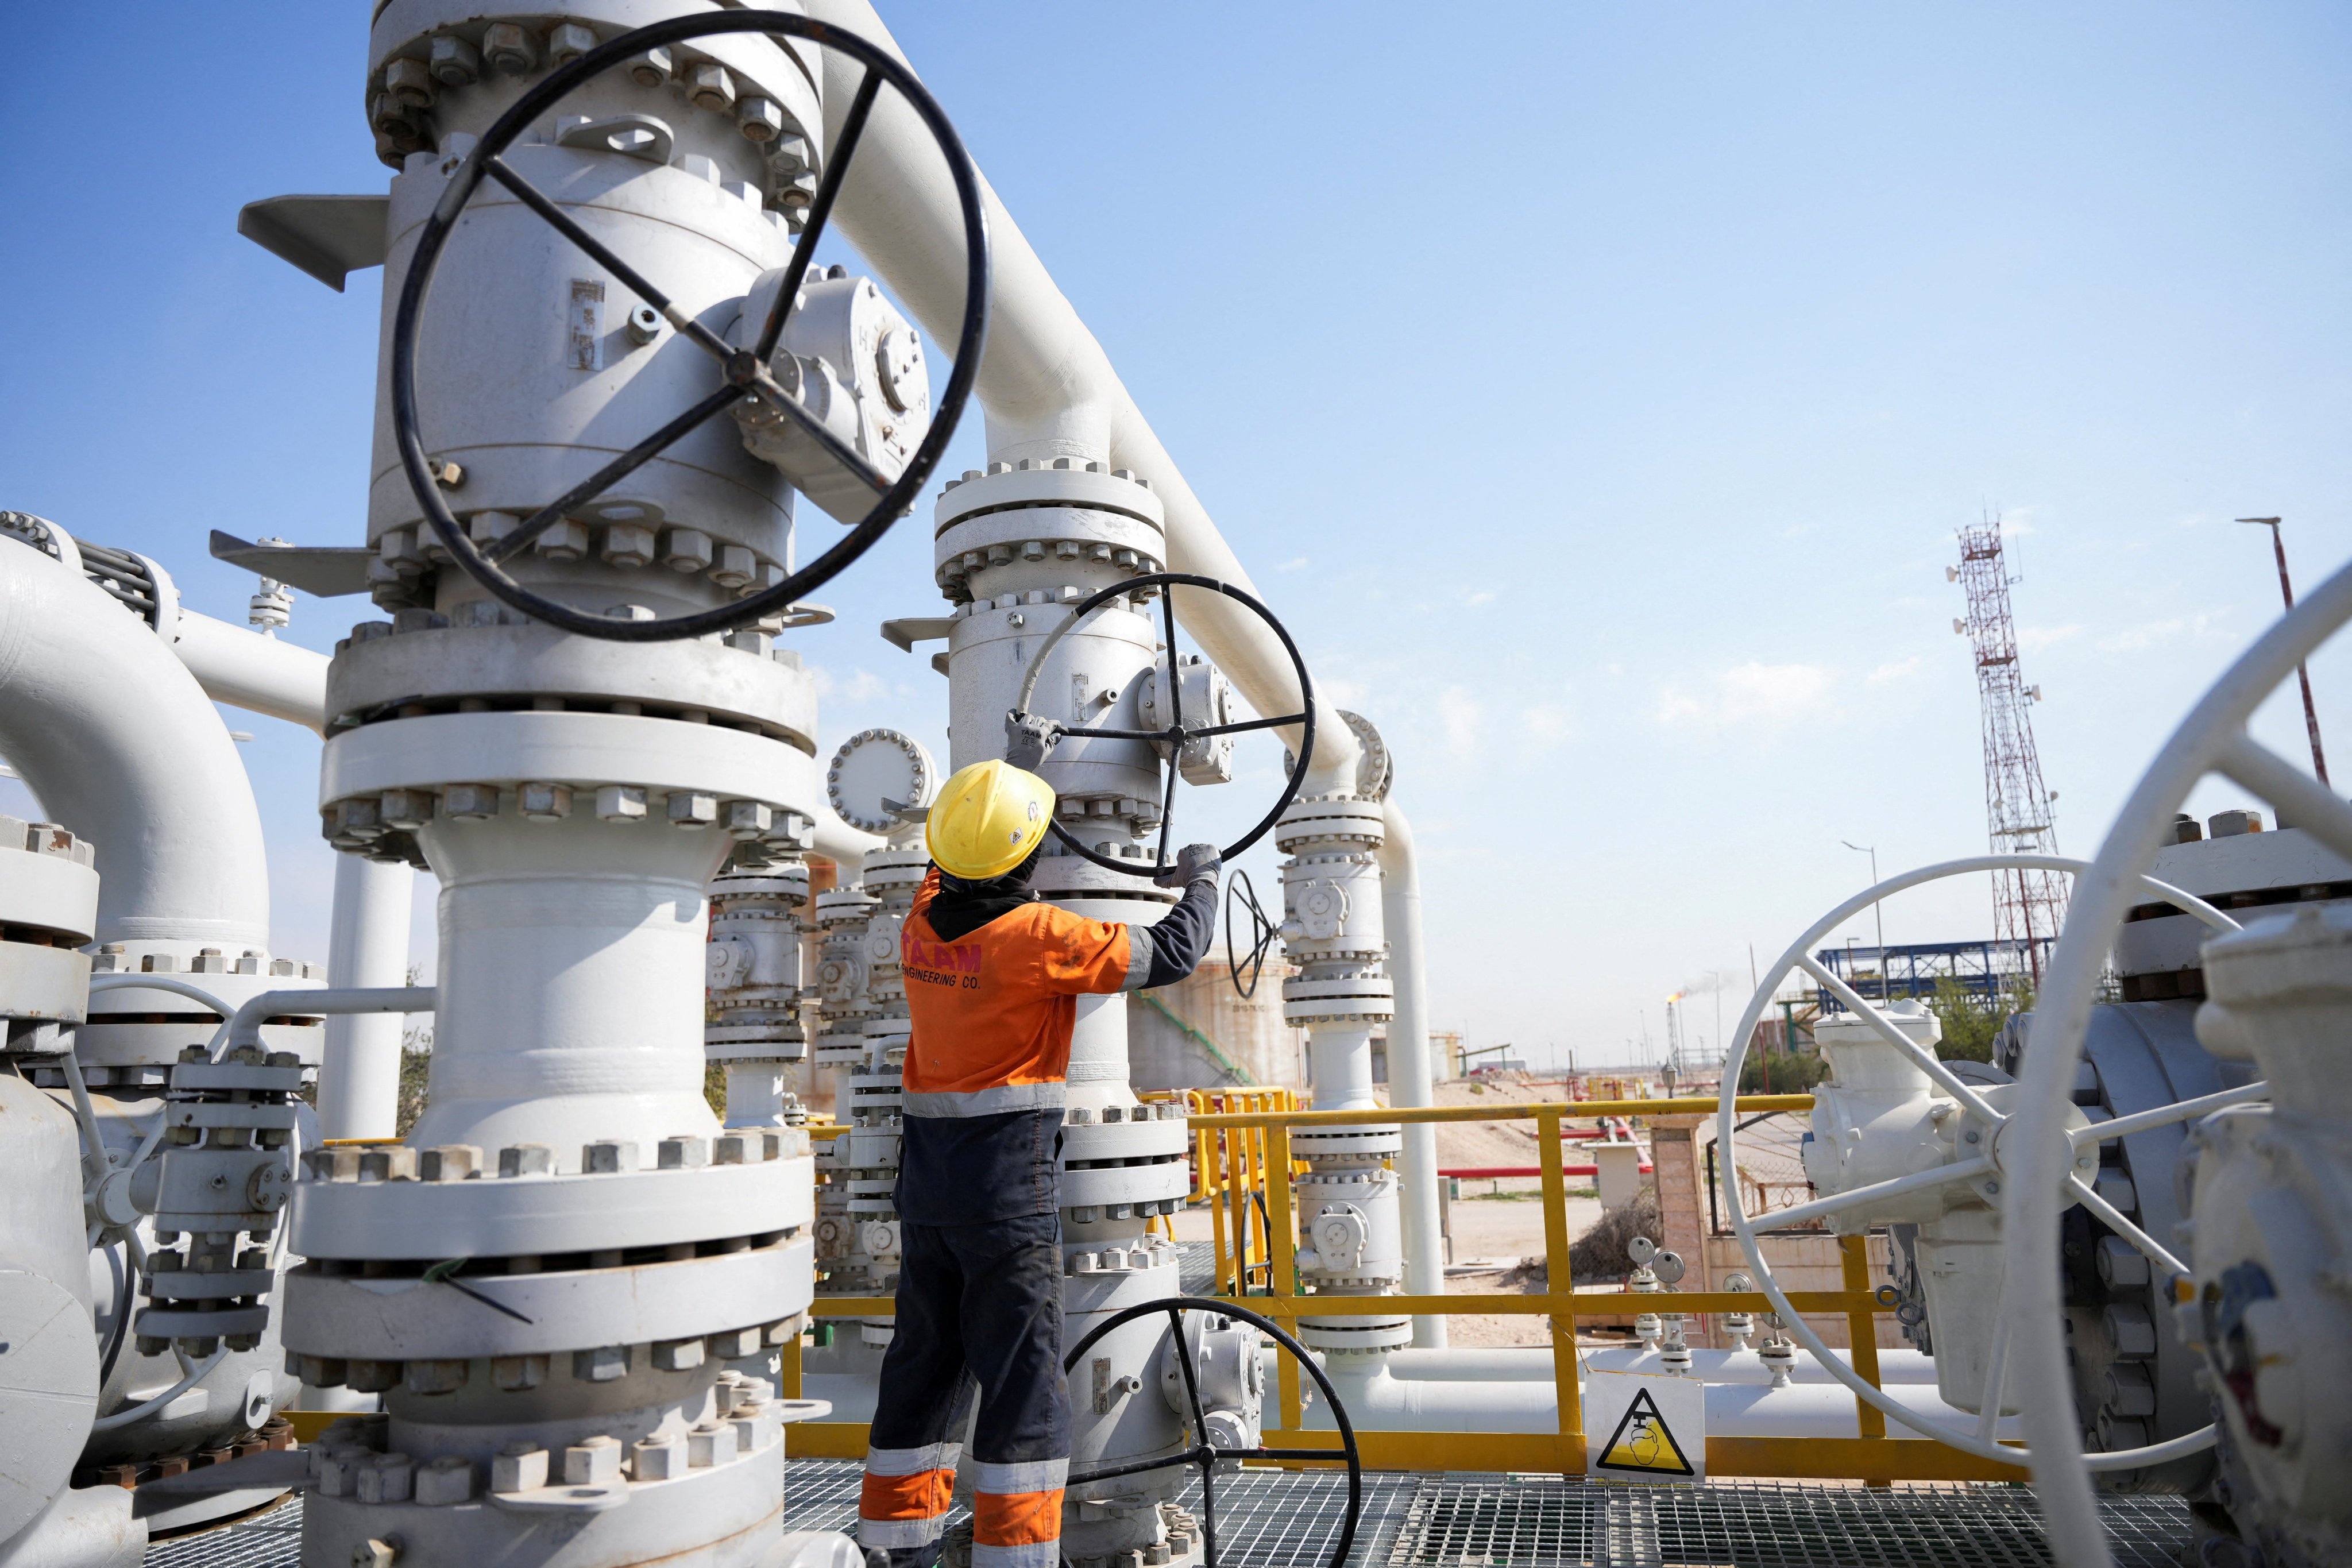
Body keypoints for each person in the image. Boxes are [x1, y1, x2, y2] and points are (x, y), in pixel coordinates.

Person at [858, 759, 1222, 1568]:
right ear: (1026, 859)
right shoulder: (1037, 938)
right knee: (1024, 1389)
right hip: (1004, 1196)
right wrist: (1203, 877)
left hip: (926, 1196)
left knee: (923, 1368)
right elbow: (1170, 950)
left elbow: (944, 865)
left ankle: (893, 1548)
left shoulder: (919, 925)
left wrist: (1011, 765)